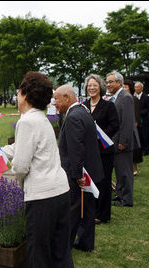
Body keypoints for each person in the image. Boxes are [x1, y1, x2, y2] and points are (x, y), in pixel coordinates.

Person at [0, 72, 74, 267]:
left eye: (18, 92)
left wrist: (14, 168)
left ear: (25, 94)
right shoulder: (41, 119)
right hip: (60, 192)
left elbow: (21, 165)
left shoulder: (26, 121)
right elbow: (17, 148)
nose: (17, 96)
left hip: (42, 198)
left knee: (38, 255)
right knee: (60, 252)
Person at [54, 84, 104, 252]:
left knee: (74, 209)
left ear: (67, 98)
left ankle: (65, 246)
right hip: (89, 170)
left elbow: (76, 149)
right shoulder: (83, 111)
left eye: (56, 99)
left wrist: (77, 175)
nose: (55, 103)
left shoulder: (74, 116)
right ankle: (85, 243)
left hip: (80, 173)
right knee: (88, 209)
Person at [83, 74, 119, 224]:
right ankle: (89, 211)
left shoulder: (108, 105)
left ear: (100, 88)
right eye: (89, 85)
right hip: (88, 152)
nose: (92, 88)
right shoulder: (83, 105)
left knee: (103, 182)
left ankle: (102, 214)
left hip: (104, 151)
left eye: (95, 85)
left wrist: (100, 136)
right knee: (89, 182)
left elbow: (115, 125)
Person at [106, 71, 136, 207]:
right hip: (115, 142)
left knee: (125, 172)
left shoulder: (126, 97)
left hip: (122, 143)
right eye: (107, 82)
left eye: (111, 82)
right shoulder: (116, 97)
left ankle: (127, 199)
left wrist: (123, 142)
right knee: (119, 170)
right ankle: (119, 194)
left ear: (119, 82)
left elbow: (128, 122)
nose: (108, 85)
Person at [123, 79, 142, 176]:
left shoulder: (134, 99)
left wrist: (134, 125)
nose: (124, 88)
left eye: (125, 87)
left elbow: (136, 115)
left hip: (132, 128)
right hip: (125, 128)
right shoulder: (123, 98)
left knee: (134, 150)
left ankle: (134, 168)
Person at [134, 82, 149, 156]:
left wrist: (140, 112)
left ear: (142, 88)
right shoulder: (133, 97)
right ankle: (140, 149)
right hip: (136, 120)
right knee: (138, 134)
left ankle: (146, 150)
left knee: (145, 135)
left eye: (138, 87)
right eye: (135, 87)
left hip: (144, 120)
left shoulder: (146, 97)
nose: (136, 89)